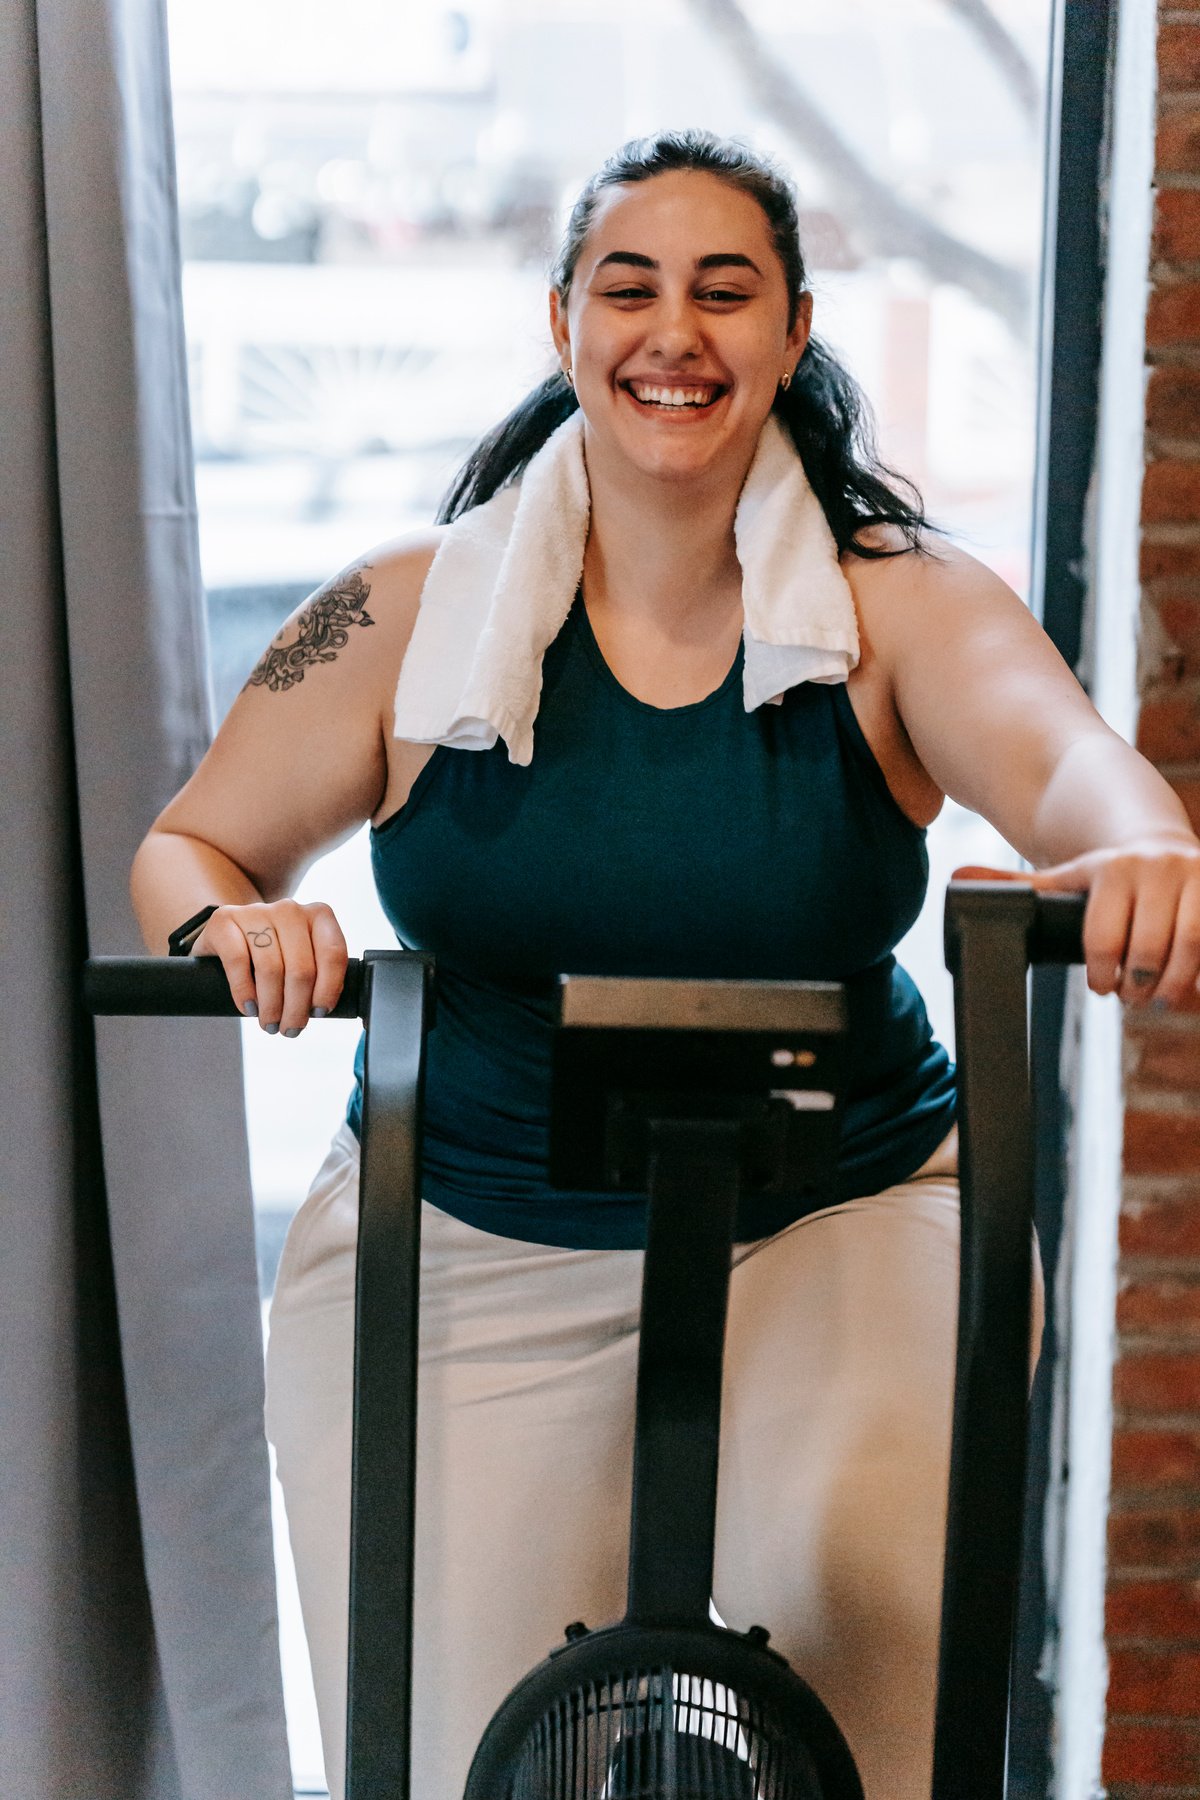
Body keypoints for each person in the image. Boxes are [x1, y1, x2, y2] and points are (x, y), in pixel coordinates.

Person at [131, 131, 1200, 1800]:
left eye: (726, 291)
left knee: (870, 1668)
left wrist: (1141, 845)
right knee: (457, 1757)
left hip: (838, 1211)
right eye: (627, 288)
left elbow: (1068, 763)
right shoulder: (408, 612)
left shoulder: (893, 597)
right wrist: (234, 924)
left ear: (790, 330)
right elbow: (189, 850)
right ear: (561, 322)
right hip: (471, 1224)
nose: (673, 333)